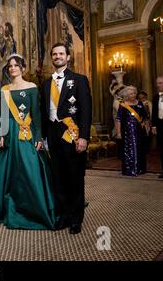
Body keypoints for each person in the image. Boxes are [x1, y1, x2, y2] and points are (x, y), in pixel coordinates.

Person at [0, 54, 56, 230]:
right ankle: (1, 207)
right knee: (5, 170)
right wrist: (0, 135)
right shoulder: (4, 89)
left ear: (22, 68)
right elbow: (1, 114)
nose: (12, 68)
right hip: (10, 133)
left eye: (16, 65)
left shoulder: (32, 87)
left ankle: (34, 208)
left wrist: (38, 137)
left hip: (26, 133)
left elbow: (36, 114)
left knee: (30, 168)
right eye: (10, 66)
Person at [41, 42, 92, 234]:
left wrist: (84, 137)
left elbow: (86, 111)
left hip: (72, 134)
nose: (57, 57)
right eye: (54, 54)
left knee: (75, 177)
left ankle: (76, 219)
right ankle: (63, 215)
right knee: (58, 178)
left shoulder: (79, 79)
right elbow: (43, 112)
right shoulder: (46, 84)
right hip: (53, 136)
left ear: (68, 57)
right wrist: (44, 138)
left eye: (61, 53)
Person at [115, 86, 148, 176]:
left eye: (134, 93)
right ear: (126, 95)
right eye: (131, 94)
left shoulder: (140, 103)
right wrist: (118, 133)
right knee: (129, 150)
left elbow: (145, 117)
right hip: (127, 132)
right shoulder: (123, 105)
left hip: (139, 131)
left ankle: (140, 169)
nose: (133, 95)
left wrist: (146, 127)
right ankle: (129, 169)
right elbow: (118, 120)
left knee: (140, 149)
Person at [151, 76, 163, 178]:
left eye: (160, 83)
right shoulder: (155, 97)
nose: (157, 85)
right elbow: (154, 112)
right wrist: (154, 125)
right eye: (157, 83)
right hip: (160, 125)